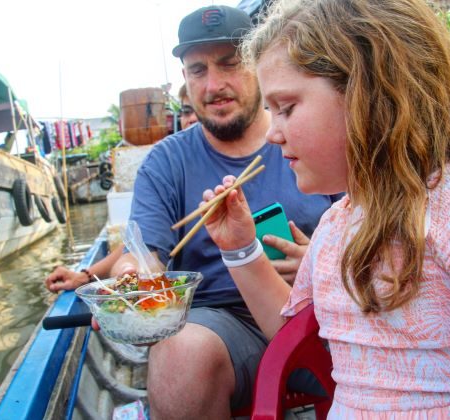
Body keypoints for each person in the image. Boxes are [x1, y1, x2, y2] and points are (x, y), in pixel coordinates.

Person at [201, 0, 450, 418]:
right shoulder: (340, 220)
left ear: (368, 91)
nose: (273, 135)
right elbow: (294, 337)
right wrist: (239, 248)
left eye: (285, 108)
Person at [103, 5, 342, 418]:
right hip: (219, 325)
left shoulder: (313, 135)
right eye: (198, 70)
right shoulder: (166, 162)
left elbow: (373, 232)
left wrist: (324, 263)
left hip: (326, 319)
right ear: (184, 79)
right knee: (179, 351)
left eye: (230, 63)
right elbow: (145, 253)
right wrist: (132, 282)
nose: (214, 84)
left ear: (258, 65)